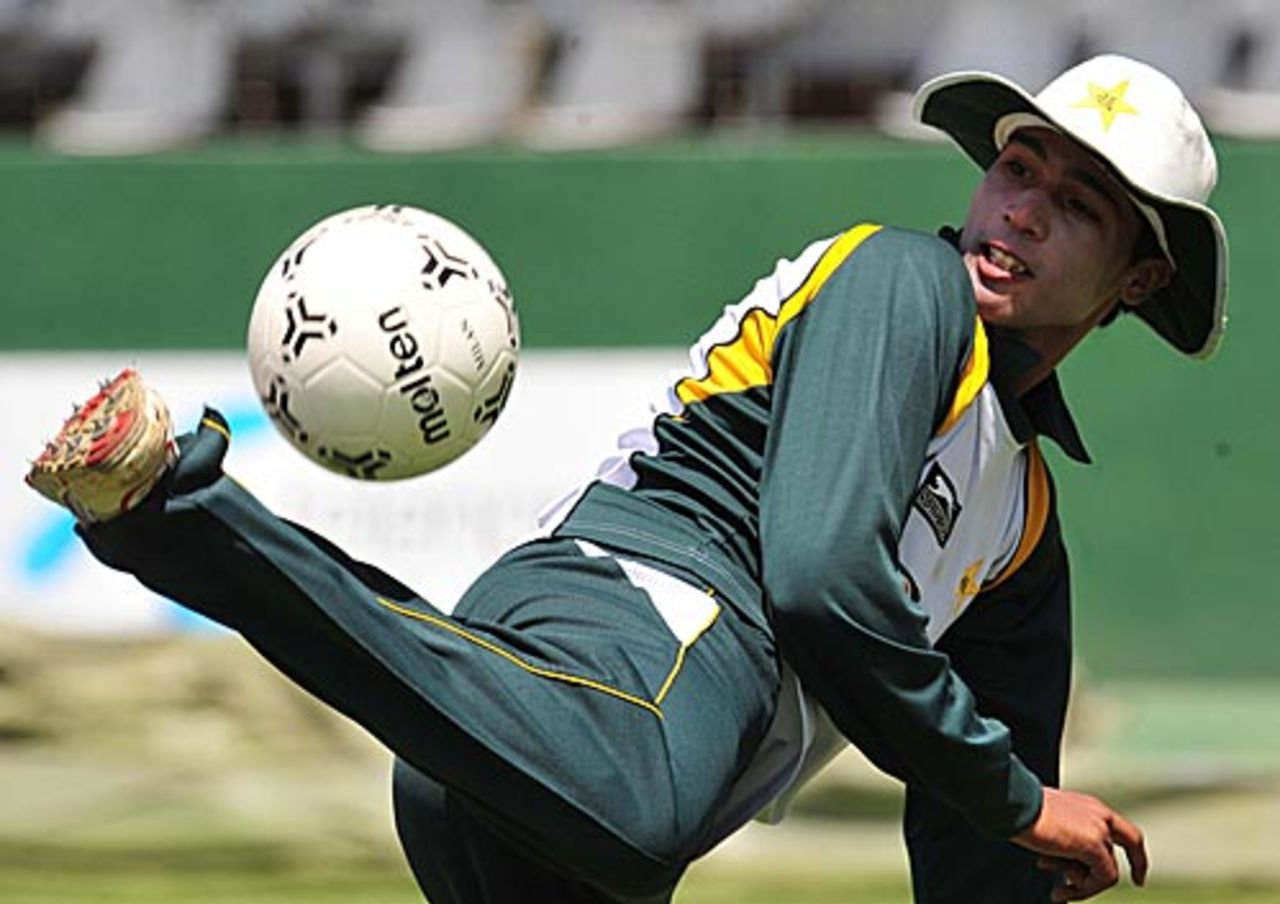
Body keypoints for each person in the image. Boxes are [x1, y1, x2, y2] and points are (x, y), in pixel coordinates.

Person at [25, 53, 1226, 904]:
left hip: (569, 804)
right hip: (625, 635)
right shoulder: (898, 280)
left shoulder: (1018, 533)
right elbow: (817, 577)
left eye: (1075, 205)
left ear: (1135, 280)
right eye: (1016, 168)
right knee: (642, 805)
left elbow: (981, 851)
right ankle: (181, 511)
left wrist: (1008, 814)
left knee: (641, 822)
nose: (1020, 212)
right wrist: (1016, 799)